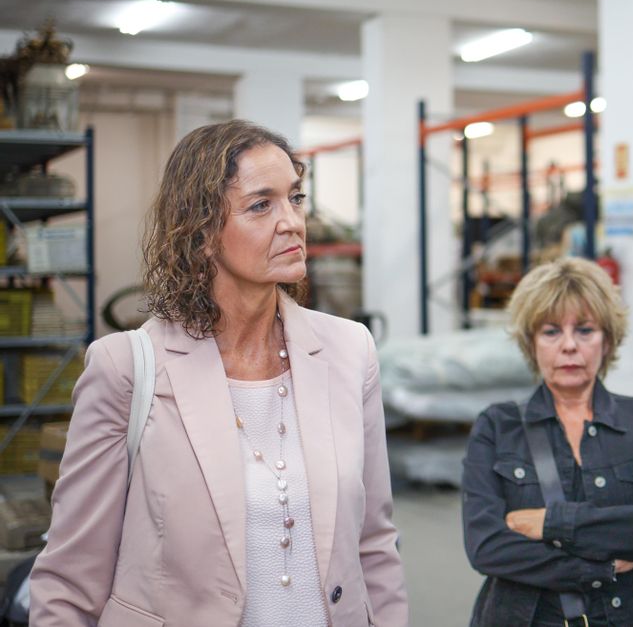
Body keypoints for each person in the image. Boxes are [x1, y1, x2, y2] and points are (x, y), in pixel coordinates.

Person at [30, 120, 408, 626]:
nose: (292, 221)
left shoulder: (348, 350)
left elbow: (374, 542)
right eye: (261, 205)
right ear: (202, 231)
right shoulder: (126, 367)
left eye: (295, 198)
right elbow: (71, 574)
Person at [462, 257, 633, 626]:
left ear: (608, 340)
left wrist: (550, 524)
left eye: (585, 330)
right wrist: (604, 563)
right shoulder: (496, 427)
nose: (569, 346)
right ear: (530, 342)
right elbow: (487, 547)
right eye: (551, 332)